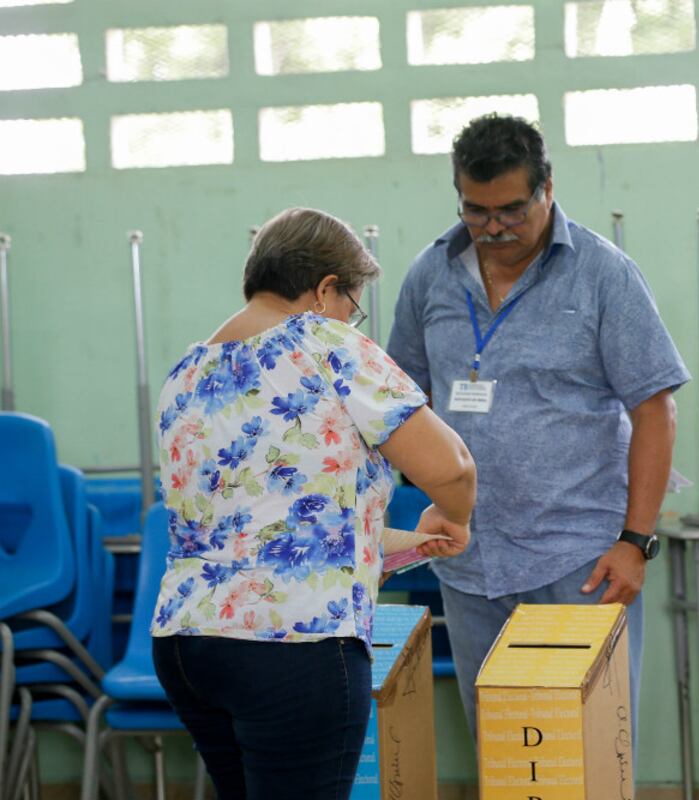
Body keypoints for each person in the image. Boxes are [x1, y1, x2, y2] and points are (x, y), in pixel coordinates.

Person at [151, 207, 476, 800]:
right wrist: (454, 516)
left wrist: (410, 543)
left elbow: (267, 521)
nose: (354, 317)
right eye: (355, 302)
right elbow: (451, 466)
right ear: (326, 289)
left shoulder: (186, 372)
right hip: (292, 645)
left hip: (187, 642)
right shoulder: (324, 340)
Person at [387, 114, 690, 746]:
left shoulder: (604, 275)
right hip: (469, 562)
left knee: (586, 753)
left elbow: (654, 410)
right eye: (477, 210)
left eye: (511, 210)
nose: (494, 227)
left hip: (578, 560)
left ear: (547, 188)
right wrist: (417, 506)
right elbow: (400, 406)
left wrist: (636, 541)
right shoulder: (429, 277)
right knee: (505, 753)